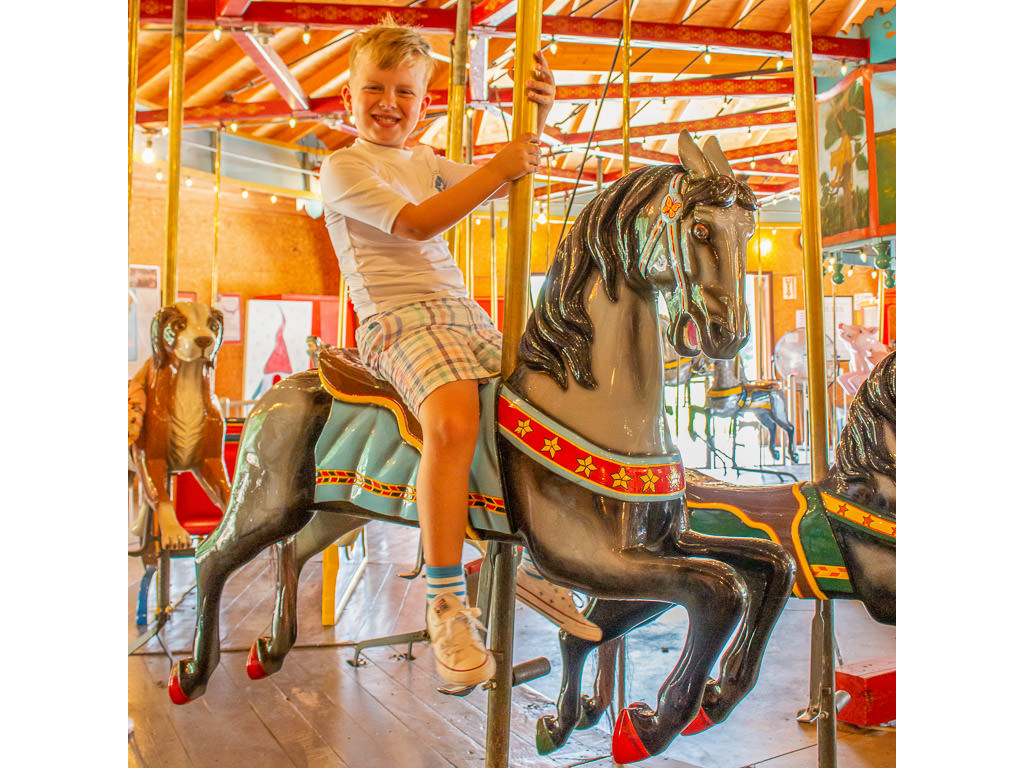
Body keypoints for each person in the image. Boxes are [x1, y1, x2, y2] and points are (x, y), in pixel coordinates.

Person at [320, 20, 600, 688]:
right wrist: (500, 166)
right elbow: (419, 223)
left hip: (464, 313)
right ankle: (446, 600)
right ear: (348, 95)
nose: (389, 102)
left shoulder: (425, 160)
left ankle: (534, 562)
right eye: (375, 89)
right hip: (397, 321)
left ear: (425, 100)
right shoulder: (345, 166)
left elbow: (503, 183)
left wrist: (539, 114)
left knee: (550, 407)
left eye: (405, 92)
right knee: (451, 420)